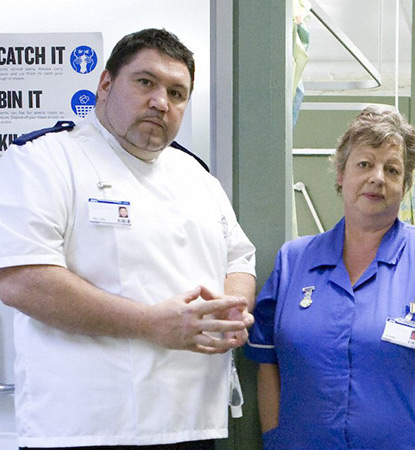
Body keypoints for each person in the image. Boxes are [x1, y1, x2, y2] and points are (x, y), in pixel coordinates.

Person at [0, 28, 257, 448]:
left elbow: (239, 260)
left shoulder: (197, 177)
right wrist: (150, 324)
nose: (161, 101)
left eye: (177, 93)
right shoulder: (43, 160)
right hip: (83, 428)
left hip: (192, 422)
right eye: (145, 82)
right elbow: (23, 280)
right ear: (105, 84)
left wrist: (229, 309)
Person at [245, 105, 415, 449]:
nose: (377, 177)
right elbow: (267, 360)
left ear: (405, 185)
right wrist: (275, 438)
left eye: (392, 170)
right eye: (364, 164)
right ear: (340, 173)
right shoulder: (294, 260)